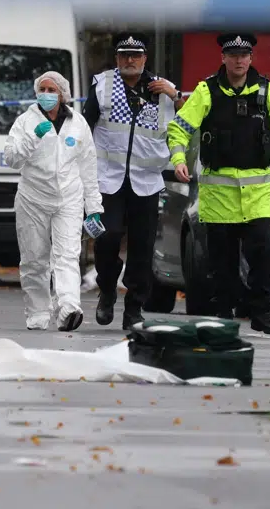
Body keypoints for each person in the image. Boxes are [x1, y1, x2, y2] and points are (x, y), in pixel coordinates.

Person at [168, 33, 270, 334]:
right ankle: (225, 314)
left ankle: (261, 314)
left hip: (258, 197)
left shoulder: (266, 92)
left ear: (251, 58)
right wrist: (178, 160)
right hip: (219, 199)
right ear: (223, 58)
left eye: (244, 55)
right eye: (233, 54)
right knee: (221, 264)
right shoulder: (206, 92)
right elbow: (179, 128)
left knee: (263, 257)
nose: (239, 60)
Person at [84, 33, 178, 329]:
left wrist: (177, 96)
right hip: (108, 179)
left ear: (145, 59)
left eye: (135, 56)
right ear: (117, 58)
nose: (129, 60)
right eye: (124, 55)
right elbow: (85, 127)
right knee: (107, 236)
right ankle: (108, 288)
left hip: (146, 181)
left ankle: (134, 308)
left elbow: (183, 129)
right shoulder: (102, 84)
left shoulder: (163, 90)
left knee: (143, 247)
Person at [4, 70, 101, 332]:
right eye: (42, 90)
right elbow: (11, 158)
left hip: (68, 198)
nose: (46, 95)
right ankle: (37, 311)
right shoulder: (25, 121)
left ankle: (69, 307)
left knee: (67, 255)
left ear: (62, 94)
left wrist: (94, 208)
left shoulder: (78, 123)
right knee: (34, 259)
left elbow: (88, 167)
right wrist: (33, 137)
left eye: (52, 90)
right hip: (32, 199)